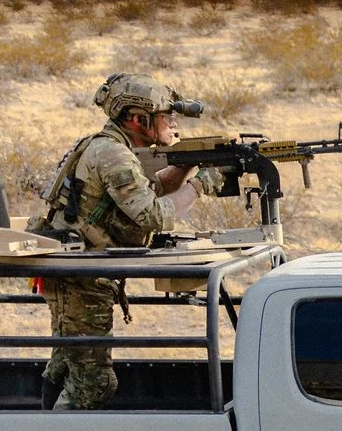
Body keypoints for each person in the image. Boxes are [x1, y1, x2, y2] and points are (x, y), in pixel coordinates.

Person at [29, 74, 218, 409]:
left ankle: (45, 429)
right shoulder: (113, 155)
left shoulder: (109, 147)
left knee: (65, 366)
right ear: (138, 120)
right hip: (81, 280)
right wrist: (202, 185)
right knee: (94, 384)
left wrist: (184, 165)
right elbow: (153, 215)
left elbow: (148, 192)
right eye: (166, 116)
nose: (173, 123)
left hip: (75, 273)